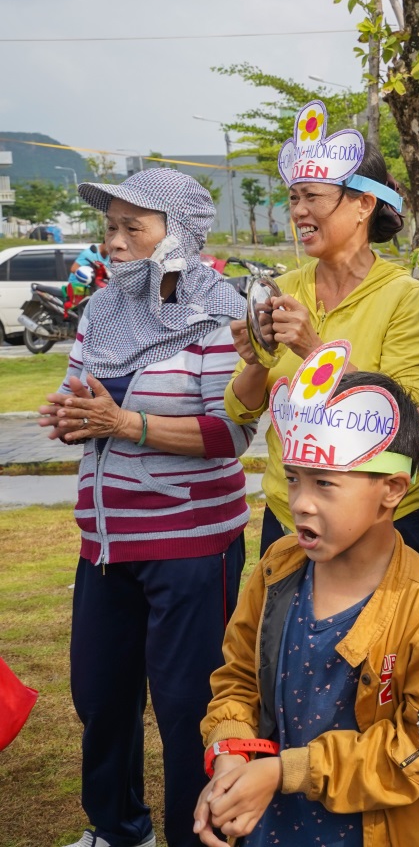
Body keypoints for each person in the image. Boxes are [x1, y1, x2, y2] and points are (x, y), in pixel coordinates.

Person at [38, 169, 255, 847]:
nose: (118, 241)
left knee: (191, 706)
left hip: (191, 546)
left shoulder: (222, 312)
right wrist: (71, 416)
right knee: (100, 697)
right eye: (111, 227)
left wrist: (124, 423)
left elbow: (231, 433)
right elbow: (83, 396)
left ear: (180, 234)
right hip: (104, 543)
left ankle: (197, 835)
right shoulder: (101, 310)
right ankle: (116, 829)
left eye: (136, 226)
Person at [197, 350, 419, 847]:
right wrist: (231, 755)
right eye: (295, 478)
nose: (301, 501)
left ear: (391, 489)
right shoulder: (277, 568)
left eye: (325, 483)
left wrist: (285, 772)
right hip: (271, 827)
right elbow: (238, 678)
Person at [224, 100, 419, 560]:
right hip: (290, 513)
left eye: (312, 196)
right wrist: (255, 359)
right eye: (294, 197)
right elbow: (240, 409)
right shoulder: (281, 289)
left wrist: (313, 349)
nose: (298, 211)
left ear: (363, 204)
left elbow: (406, 415)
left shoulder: (404, 296)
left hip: (382, 520)